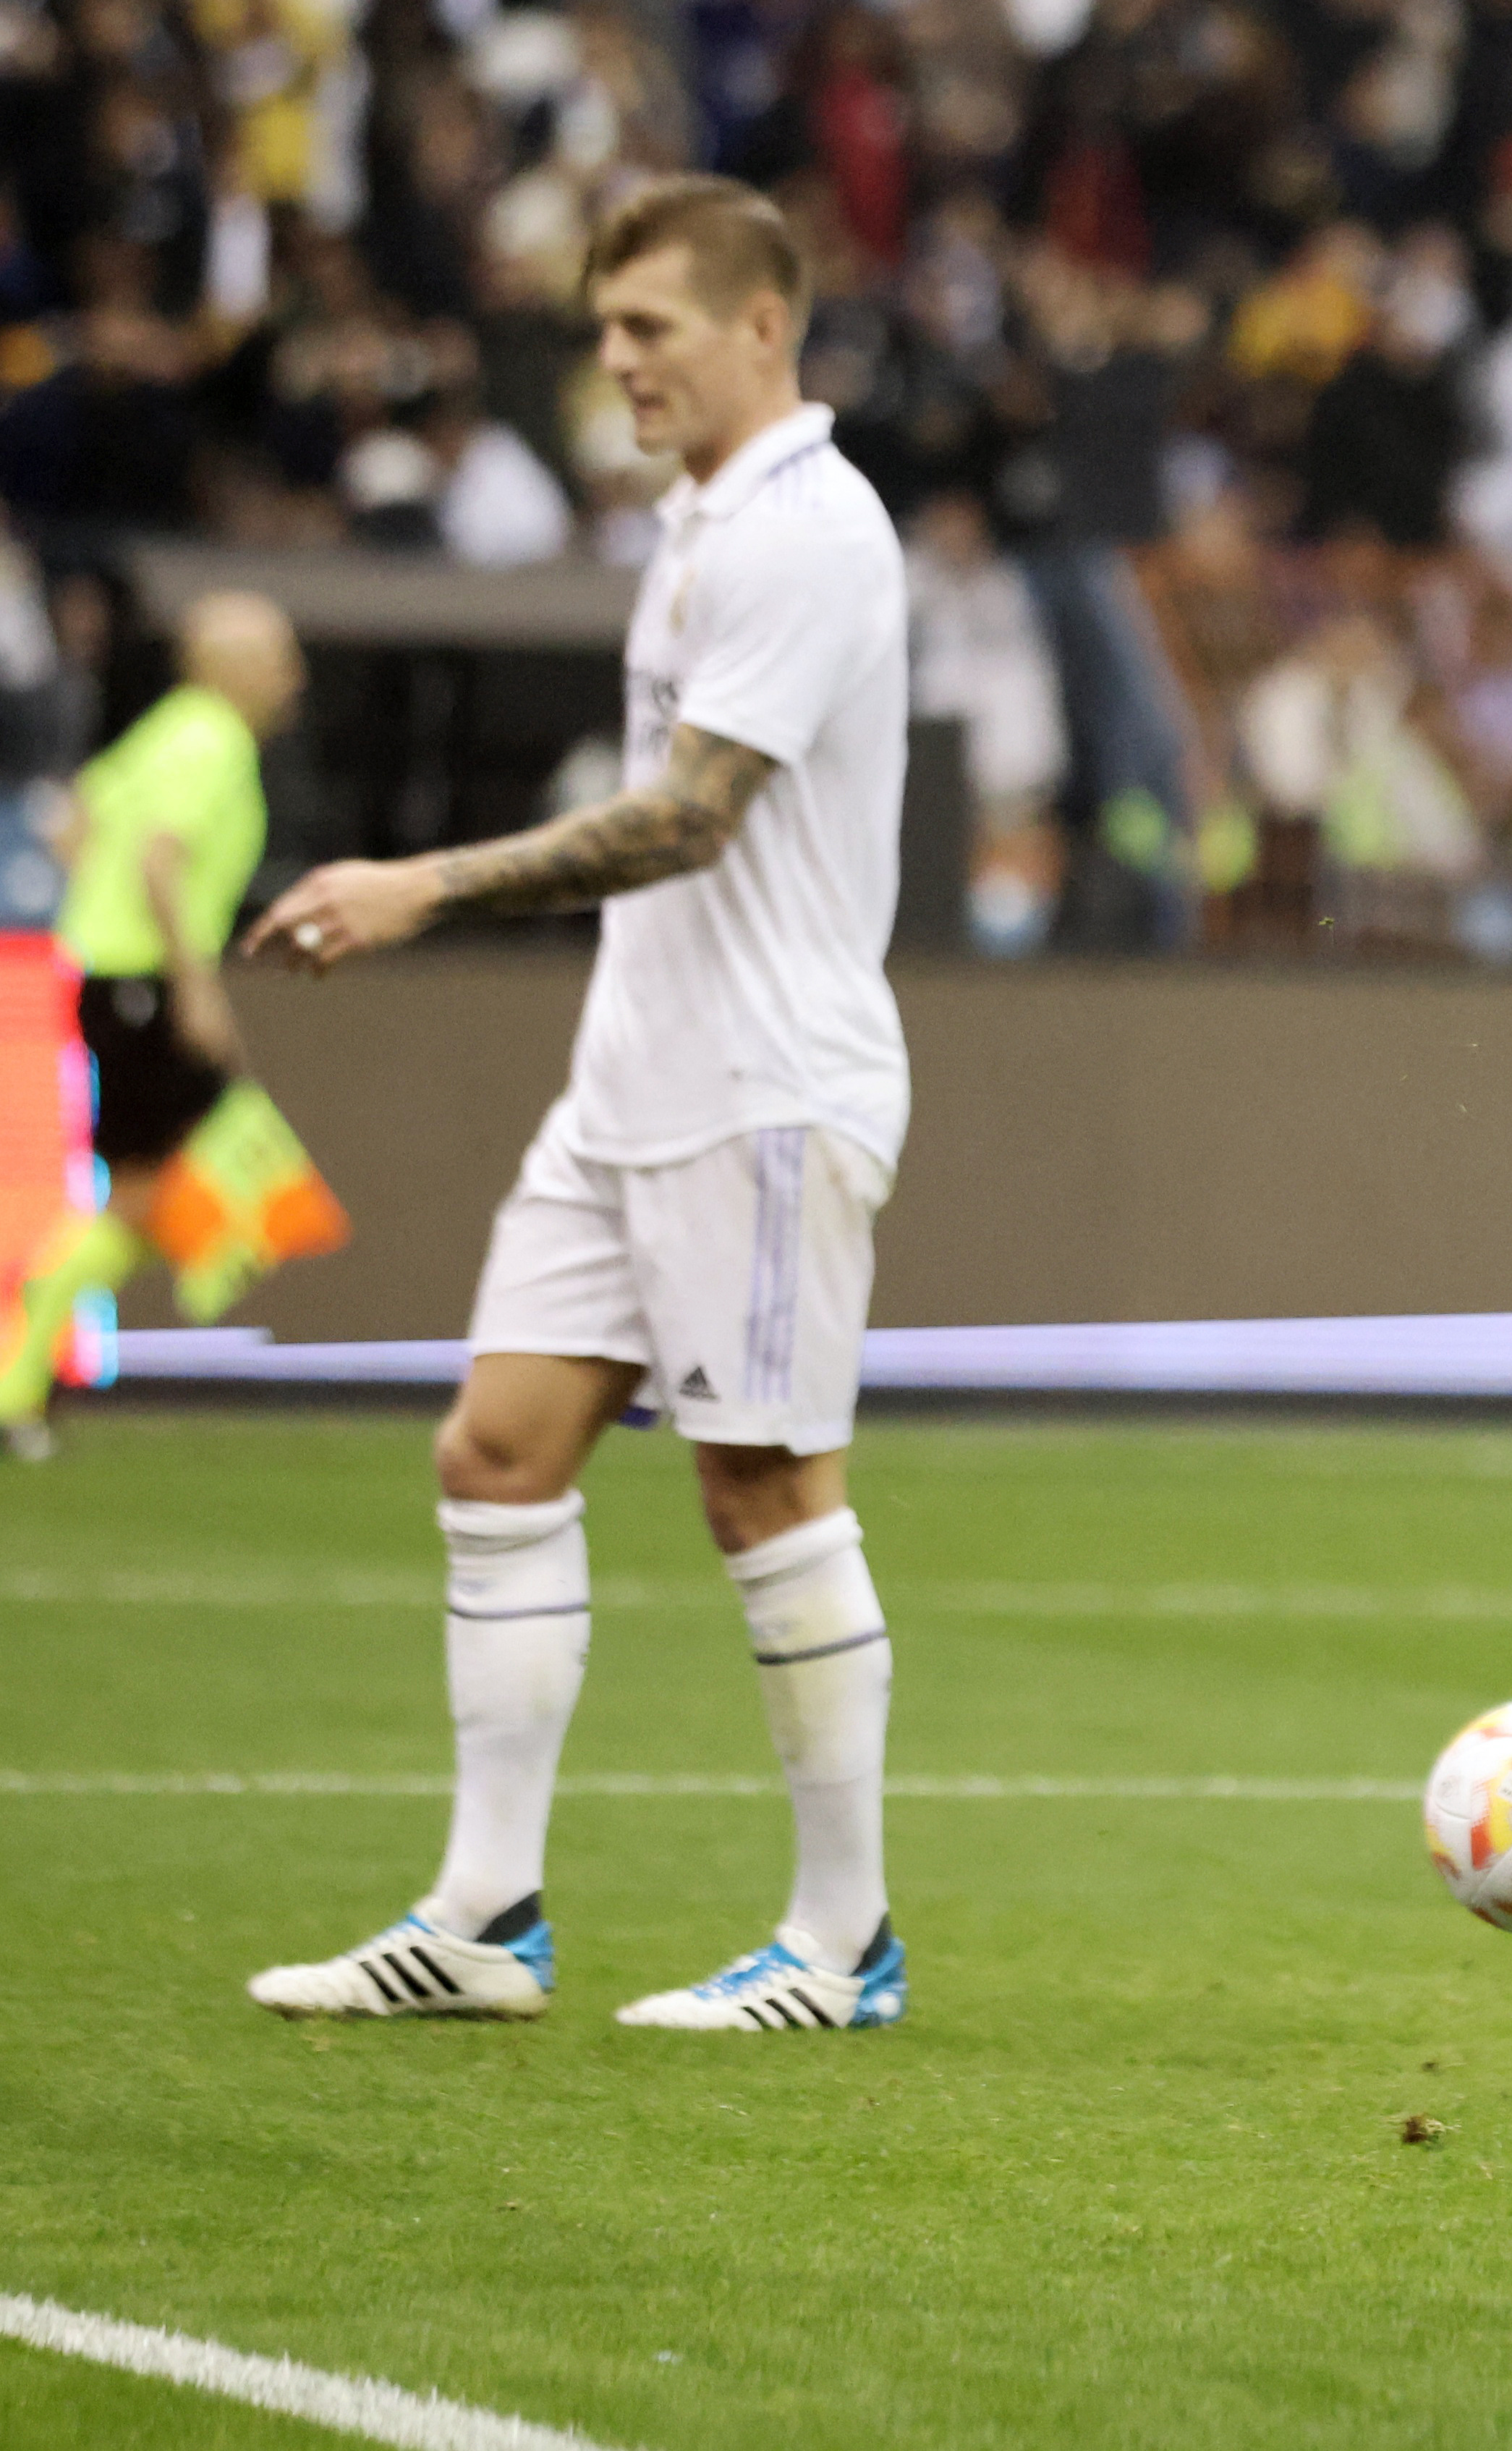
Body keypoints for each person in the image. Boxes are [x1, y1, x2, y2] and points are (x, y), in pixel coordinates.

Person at [235, 177, 915, 2036]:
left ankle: (843, 1941)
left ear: (761, 326)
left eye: (650, 329)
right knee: (497, 1451)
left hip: (764, 1088)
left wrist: (419, 885)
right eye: (604, 329)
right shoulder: (702, 524)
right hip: (632, 1081)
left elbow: (692, 815)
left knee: (762, 1483)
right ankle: (483, 1911)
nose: (613, 362)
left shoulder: (808, 529)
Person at [0, 591, 307, 1460]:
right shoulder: (210, 741)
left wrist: (92, 918)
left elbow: (71, 824)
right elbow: (159, 856)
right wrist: (193, 983)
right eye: (282, 658)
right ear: (233, 667)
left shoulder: (167, 727)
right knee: (151, 1188)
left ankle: (181, 1281)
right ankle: (20, 1371)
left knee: (175, 1172)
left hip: (110, 972)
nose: (296, 680)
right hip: (141, 980)